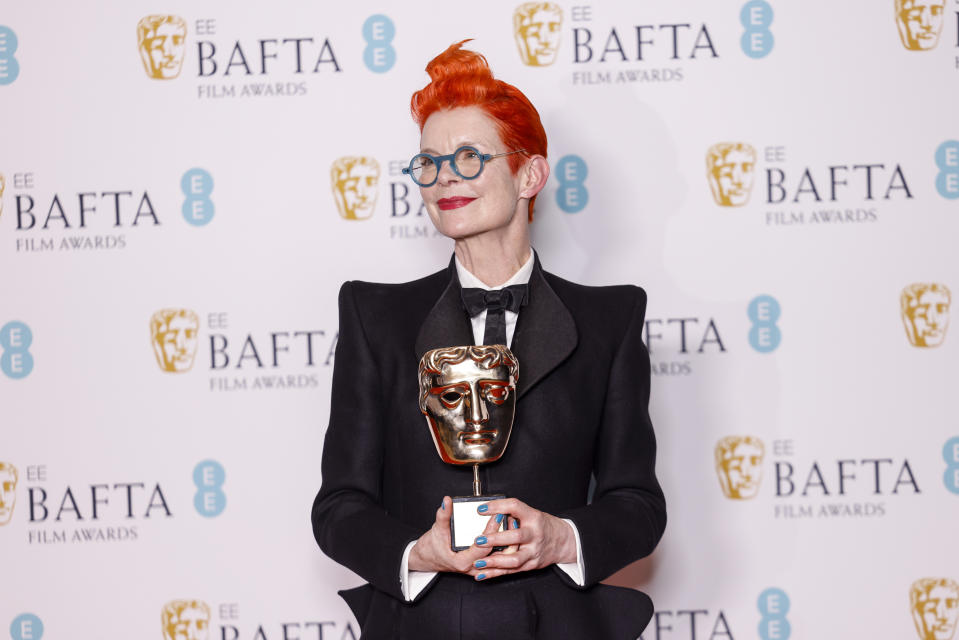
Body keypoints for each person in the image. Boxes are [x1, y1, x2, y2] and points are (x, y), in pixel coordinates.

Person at [312, 40, 665, 639]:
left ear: (530, 173)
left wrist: (560, 537)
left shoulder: (611, 319)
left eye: (470, 157)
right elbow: (339, 507)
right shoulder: (375, 316)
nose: (445, 177)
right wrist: (418, 553)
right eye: (429, 163)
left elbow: (637, 504)